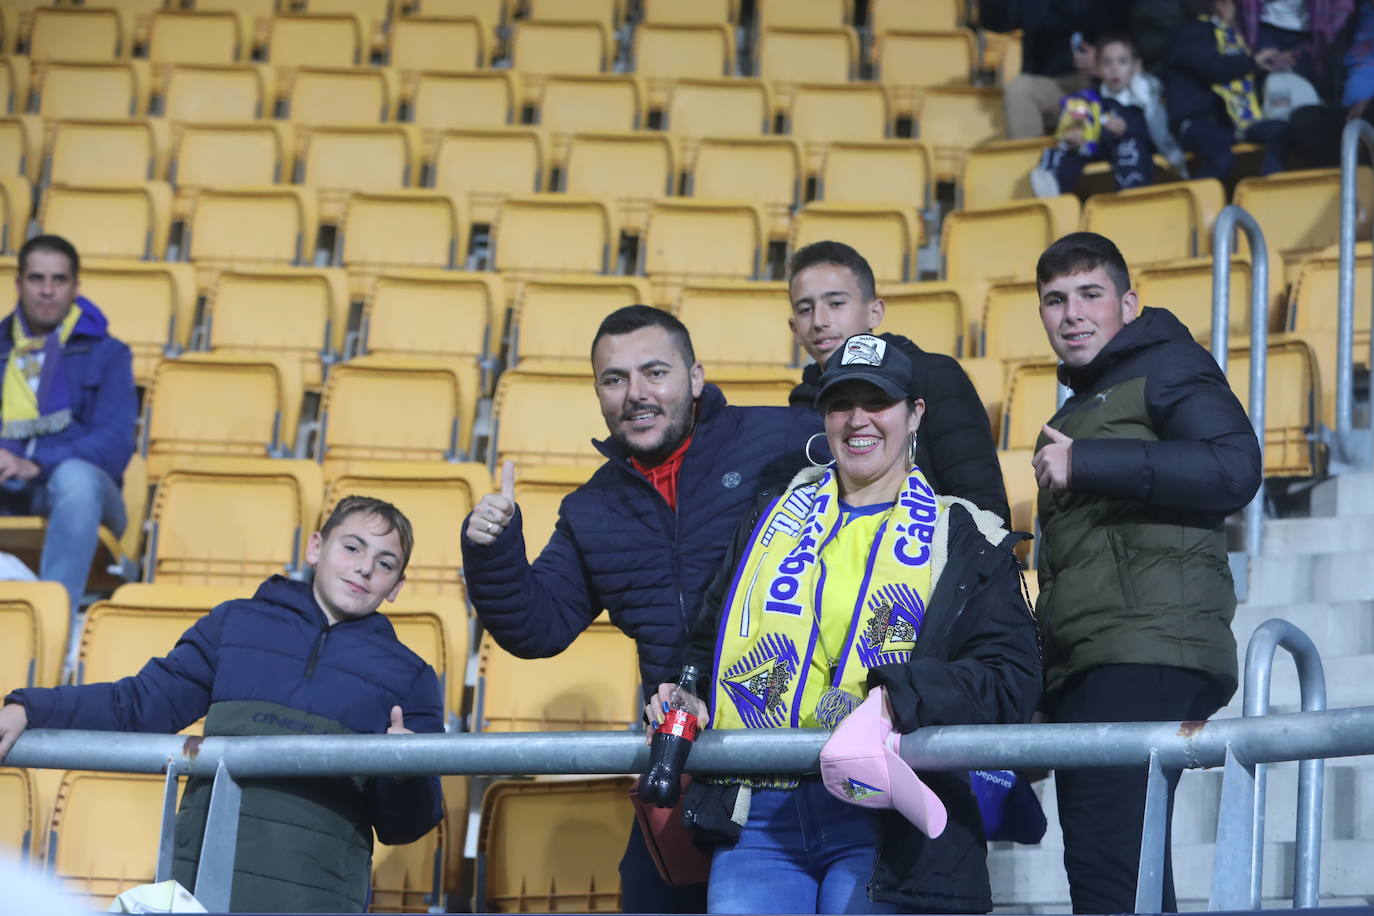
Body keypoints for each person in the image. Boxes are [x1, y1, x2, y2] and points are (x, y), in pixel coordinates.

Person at [645, 333, 1042, 914]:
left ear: (915, 414)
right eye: (840, 404)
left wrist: (897, 699)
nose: (858, 419)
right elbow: (706, 648)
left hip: (887, 819)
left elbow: (1011, 680)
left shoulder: (966, 536)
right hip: (758, 814)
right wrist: (688, 692)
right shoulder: (768, 518)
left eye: (877, 401)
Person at [460, 305, 821, 913]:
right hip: (685, 767)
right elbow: (536, 627)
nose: (636, 394)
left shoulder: (783, 439)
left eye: (655, 372)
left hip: (803, 761)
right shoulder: (592, 509)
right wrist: (492, 550)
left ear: (695, 378)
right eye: (615, 378)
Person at [0, 496, 444, 913]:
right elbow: (139, 703)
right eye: (352, 547)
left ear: (396, 586)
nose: (365, 568)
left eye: (385, 563)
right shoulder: (234, 623)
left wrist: (406, 770)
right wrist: (31, 709)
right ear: (315, 547)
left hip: (317, 897)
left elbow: (406, 826)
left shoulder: (411, 676)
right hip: (204, 885)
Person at [1029, 233, 1262, 914]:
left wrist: (1088, 463)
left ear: (1128, 304)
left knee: (1109, 871)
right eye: (1055, 300)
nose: (1072, 313)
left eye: (1090, 294)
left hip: (1146, 651)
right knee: (1123, 870)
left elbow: (1235, 468)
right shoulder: (1077, 409)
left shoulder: (1167, 366)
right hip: (1099, 662)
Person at [786, 241, 1009, 525]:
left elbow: (985, 511)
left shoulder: (934, 376)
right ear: (794, 329)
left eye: (836, 303)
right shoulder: (800, 405)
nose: (819, 321)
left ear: (875, 312)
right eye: (805, 309)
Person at [0, 234, 136, 612]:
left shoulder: (108, 353)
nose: (47, 291)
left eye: (58, 280)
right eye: (37, 279)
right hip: (7, 492)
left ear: (75, 286)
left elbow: (114, 444)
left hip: (85, 496)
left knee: (74, 478)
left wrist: (36, 465)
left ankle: (52, 621)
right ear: (19, 284)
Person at [1030, 32, 1188, 198]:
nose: (1115, 69)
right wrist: (1076, 133)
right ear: (1097, 69)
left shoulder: (1143, 101)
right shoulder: (1089, 98)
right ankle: (1050, 184)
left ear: (1135, 66)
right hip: (1097, 150)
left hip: (1130, 156)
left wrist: (1126, 129)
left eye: (1122, 62)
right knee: (1061, 150)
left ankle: (1131, 194)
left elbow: (1153, 138)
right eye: (1107, 63)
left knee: (1130, 147)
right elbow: (1077, 121)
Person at [1167, 0, 1295, 178]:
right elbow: (1213, 68)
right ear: (1222, 5)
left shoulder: (1235, 38)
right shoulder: (1191, 31)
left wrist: (1271, 65)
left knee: (1280, 130)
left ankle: (1272, 185)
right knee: (1221, 157)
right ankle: (1199, 194)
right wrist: (1253, 61)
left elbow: (1239, 78)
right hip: (1201, 121)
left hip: (1237, 123)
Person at [979, 0, 1128, 138]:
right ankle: (1032, 158)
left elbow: (1133, 25)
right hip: (1051, 87)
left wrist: (1106, 55)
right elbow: (996, 21)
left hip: (1101, 84)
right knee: (1018, 89)